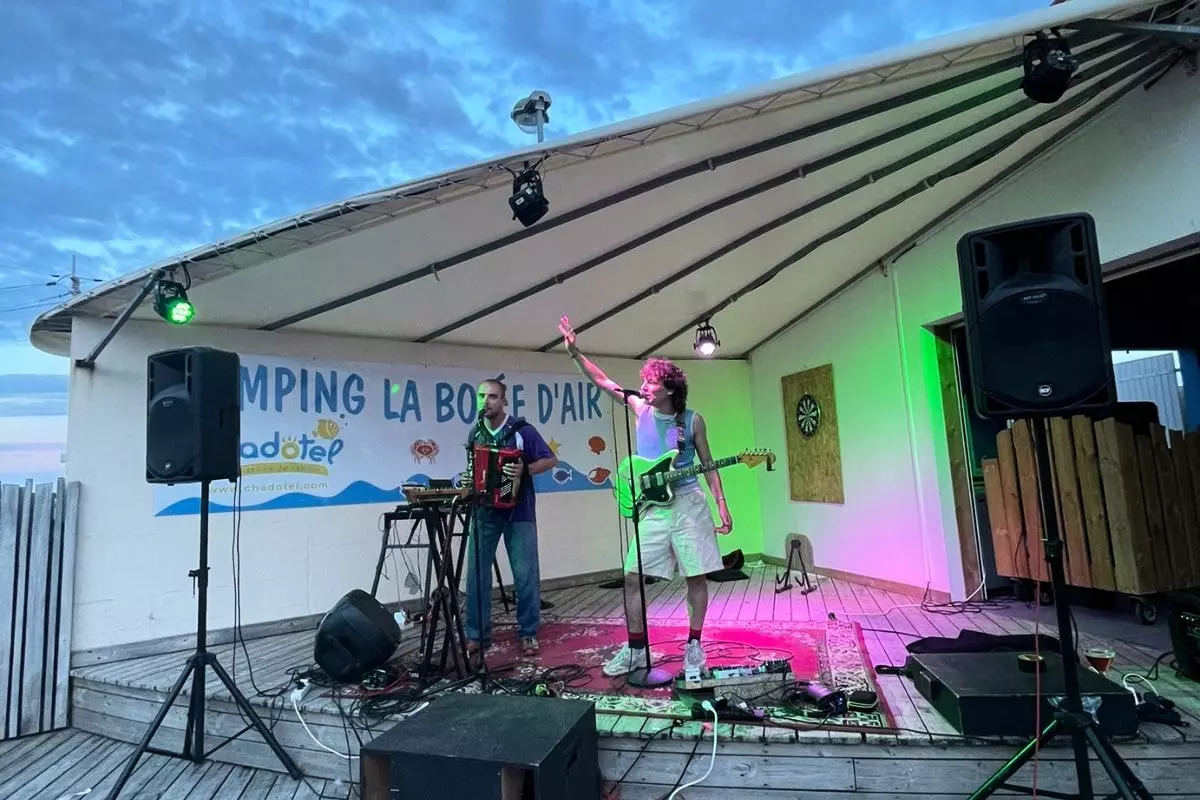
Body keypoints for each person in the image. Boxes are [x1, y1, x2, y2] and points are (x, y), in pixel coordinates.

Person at [557, 315, 733, 677]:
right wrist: (575, 352)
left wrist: (721, 504)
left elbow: (708, 464)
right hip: (652, 506)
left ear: (669, 389)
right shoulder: (640, 409)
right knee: (632, 575)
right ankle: (637, 648)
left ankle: (694, 646)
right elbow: (603, 380)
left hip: (688, 504)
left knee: (696, 577)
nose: (643, 386)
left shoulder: (692, 421)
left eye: (651, 382)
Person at [463, 378, 558, 657]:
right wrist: (470, 480)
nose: (486, 401)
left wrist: (524, 470)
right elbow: (475, 468)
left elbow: (550, 459)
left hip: (519, 512)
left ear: (503, 401)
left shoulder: (521, 430)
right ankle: (477, 634)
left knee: (525, 574)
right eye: (482, 396)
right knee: (476, 574)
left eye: (492, 396)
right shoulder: (475, 432)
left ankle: (528, 632)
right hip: (484, 511)